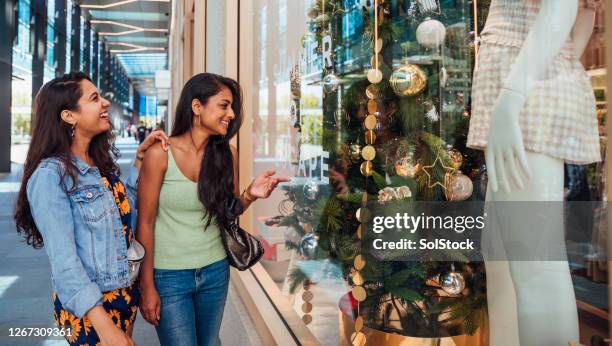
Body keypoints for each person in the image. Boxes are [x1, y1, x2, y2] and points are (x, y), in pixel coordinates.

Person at [467, 0, 599, 344]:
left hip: (524, 102)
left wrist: (514, 96)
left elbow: (564, 6)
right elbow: (582, 17)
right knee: (501, 260)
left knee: (534, 264)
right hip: (522, 93)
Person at [14, 72, 169, 346]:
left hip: (122, 297)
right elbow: (64, 261)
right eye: (95, 98)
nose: (106, 103)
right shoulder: (50, 176)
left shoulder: (97, 163)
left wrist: (140, 158)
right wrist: (104, 326)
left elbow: (122, 212)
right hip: (92, 309)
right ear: (68, 116)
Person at [137, 73, 289, 346]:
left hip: (215, 270)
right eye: (224, 105)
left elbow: (227, 212)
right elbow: (145, 224)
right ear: (197, 107)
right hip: (168, 276)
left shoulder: (226, 155)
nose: (231, 114)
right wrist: (146, 286)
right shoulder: (160, 154)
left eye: (232, 107)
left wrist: (250, 196)